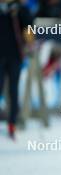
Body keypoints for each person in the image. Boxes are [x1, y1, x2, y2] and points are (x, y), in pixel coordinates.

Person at [0, 0, 33, 139]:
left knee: (13, 90)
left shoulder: (21, 10)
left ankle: (12, 124)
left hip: (15, 56)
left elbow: (29, 29)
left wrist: (30, 42)